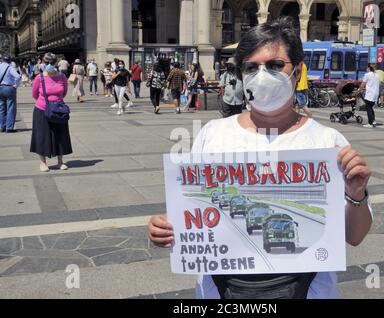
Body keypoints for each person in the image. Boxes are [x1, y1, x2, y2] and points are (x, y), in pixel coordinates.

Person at [148, 17, 372, 300]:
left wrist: (356, 193)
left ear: (298, 70)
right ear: (241, 75)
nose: (262, 75)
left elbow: (354, 236)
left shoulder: (328, 143)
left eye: (276, 65)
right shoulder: (212, 134)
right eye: (251, 67)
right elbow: (193, 212)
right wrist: (164, 228)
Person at [30, 52, 73, 172]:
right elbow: (34, 94)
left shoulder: (62, 77)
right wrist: (45, 103)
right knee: (42, 136)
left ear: (55, 63)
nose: (48, 65)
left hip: (58, 109)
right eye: (46, 62)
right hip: (42, 109)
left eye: (51, 63)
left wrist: (55, 102)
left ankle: (60, 162)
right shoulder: (39, 77)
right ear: (43, 62)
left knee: (60, 135)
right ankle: (43, 163)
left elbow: (63, 93)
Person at [0, 54, 21, 133]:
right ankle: (9, 128)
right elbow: (18, 76)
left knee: (1, 108)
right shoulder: (10, 67)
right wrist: (16, 85)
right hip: (9, 88)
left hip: (0, 88)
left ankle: (2, 126)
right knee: (11, 107)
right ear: (9, 60)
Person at [360, 64, 380, 128]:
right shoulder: (377, 75)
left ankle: (370, 123)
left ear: (369, 68)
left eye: (367, 68)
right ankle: (373, 121)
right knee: (371, 107)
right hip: (375, 94)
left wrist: (359, 89)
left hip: (370, 94)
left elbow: (363, 84)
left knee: (368, 108)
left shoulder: (367, 75)